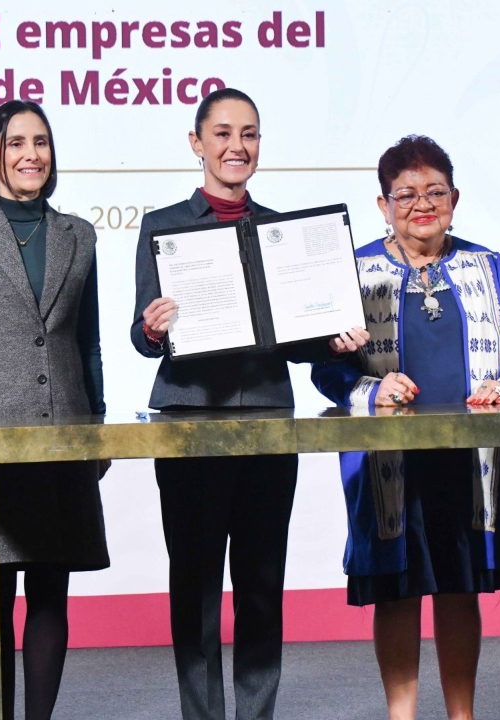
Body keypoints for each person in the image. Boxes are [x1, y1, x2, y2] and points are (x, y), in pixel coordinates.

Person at [131, 87, 368, 720]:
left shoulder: (284, 234)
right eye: (224, 133)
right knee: (196, 583)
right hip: (186, 423)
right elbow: (142, 337)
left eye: (251, 134)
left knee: (262, 584)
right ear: (196, 143)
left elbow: (296, 343)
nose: (238, 146)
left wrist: (334, 338)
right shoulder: (163, 226)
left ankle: (257, 714)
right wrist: (154, 328)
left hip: (266, 420)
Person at [311, 135, 500, 720]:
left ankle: (462, 715)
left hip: (471, 461)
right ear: (383, 203)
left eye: (435, 191)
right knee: (396, 591)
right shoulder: (354, 271)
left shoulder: (486, 264)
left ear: (455, 196)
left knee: (461, 590)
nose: (422, 204)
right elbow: (326, 367)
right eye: (406, 194)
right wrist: (371, 387)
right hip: (388, 461)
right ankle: (403, 715)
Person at [0, 99, 110, 720]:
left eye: (41, 142)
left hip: (64, 434)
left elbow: (87, 342)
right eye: (16, 144)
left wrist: (98, 430)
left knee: (51, 592)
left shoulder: (78, 235)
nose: (31, 154)